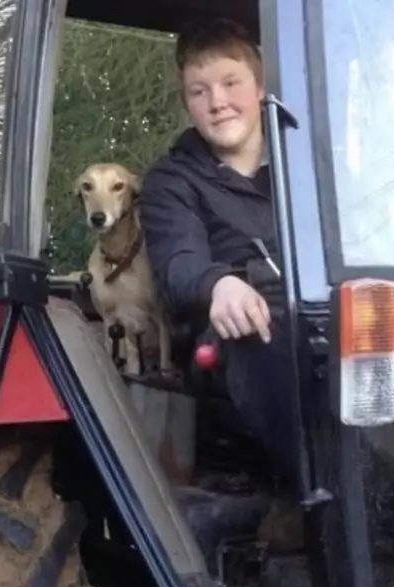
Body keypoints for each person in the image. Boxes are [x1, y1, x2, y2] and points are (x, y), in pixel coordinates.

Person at [138, 19, 302, 537]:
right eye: (199, 91)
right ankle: (332, 505)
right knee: (263, 330)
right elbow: (179, 261)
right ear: (187, 103)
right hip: (232, 336)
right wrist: (219, 284)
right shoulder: (172, 180)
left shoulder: (306, 166)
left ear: (259, 88)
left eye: (231, 83)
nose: (218, 102)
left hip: (320, 311)